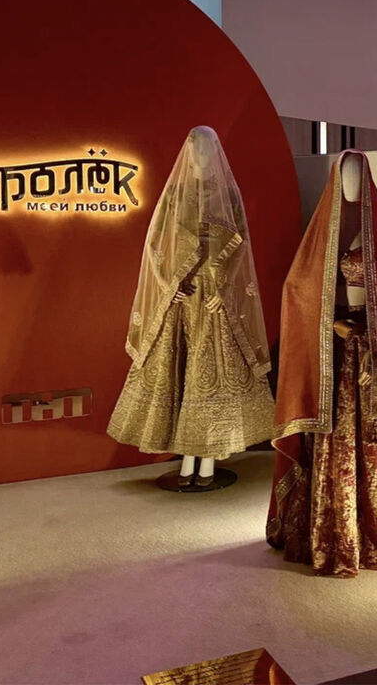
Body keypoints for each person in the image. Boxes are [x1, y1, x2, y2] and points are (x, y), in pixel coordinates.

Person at [267, 150, 377, 577]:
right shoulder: (322, 233)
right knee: (334, 433)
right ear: (335, 180)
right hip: (333, 355)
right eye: (346, 174)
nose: (353, 183)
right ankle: (329, 529)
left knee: (371, 434)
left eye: (359, 173)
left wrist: (371, 336)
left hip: (369, 355)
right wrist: (328, 325)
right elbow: (297, 290)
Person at [107, 127, 274, 482]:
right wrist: (168, 285)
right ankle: (186, 457)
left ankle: (208, 457)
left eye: (208, 150)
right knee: (178, 372)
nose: (202, 156)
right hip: (183, 295)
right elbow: (155, 244)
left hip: (213, 298)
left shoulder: (228, 194)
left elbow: (240, 245)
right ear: (189, 152)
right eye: (197, 150)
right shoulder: (175, 194)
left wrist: (224, 290)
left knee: (209, 376)